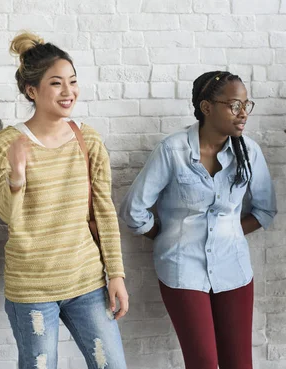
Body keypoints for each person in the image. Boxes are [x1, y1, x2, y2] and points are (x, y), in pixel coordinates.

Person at [0, 31, 129, 369]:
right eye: (56, 83)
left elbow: (104, 211)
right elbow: (8, 216)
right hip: (32, 289)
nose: (68, 92)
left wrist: (117, 275)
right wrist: (17, 178)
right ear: (32, 90)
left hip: (87, 282)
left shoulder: (87, 139)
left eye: (72, 81)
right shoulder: (8, 143)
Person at [119, 71, 278, 369]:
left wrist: (227, 231)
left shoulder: (250, 152)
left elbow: (265, 210)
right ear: (207, 107)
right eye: (234, 105)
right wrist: (167, 236)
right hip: (183, 269)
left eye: (246, 104)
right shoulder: (172, 150)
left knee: (240, 364)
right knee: (203, 363)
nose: (243, 113)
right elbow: (133, 210)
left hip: (234, 270)